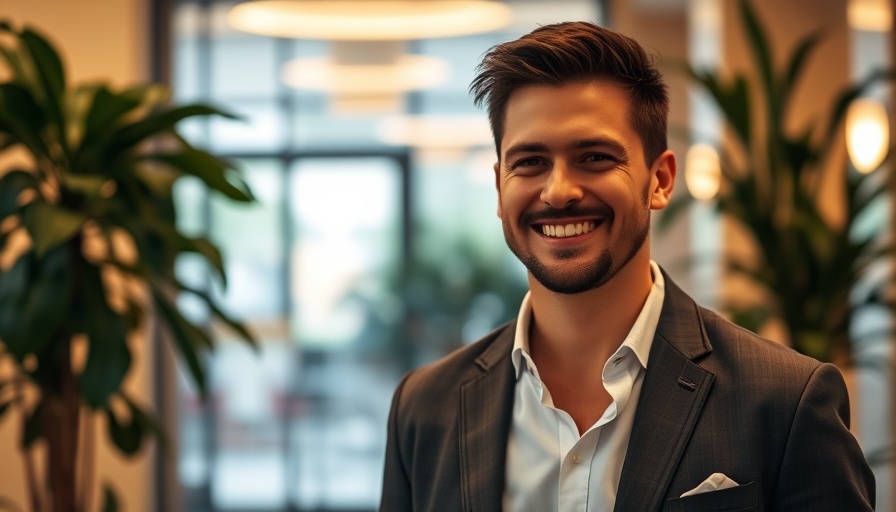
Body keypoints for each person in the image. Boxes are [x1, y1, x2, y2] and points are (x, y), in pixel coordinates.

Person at [379, 21, 875, 512]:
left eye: (594, 156)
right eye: (529, 162)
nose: (558, 191)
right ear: (499, 187)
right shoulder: (425, 408)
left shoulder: (784, 401)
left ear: (659, 180)